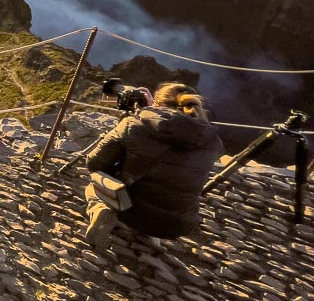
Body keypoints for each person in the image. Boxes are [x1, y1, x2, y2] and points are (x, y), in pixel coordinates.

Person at [83, 82, 224, 250]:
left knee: (93, 185)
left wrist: (143, 114)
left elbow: (94, 163)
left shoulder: (134, 124)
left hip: (131, 211)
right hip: (179, 225)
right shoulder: (212, 142)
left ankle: (100, 208)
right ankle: (149, 236)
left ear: (157, 102)